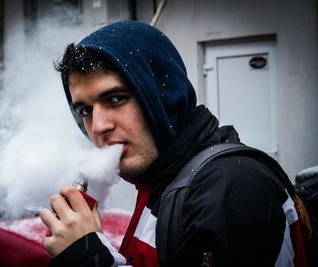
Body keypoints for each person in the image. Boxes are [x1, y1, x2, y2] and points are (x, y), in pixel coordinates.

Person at [40, 20, 306, 267]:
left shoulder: (229, 186)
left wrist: (88, 257)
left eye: (116, 99)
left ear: (164, 97)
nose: (98, 126)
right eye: (85, 110)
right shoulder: (162, 181)